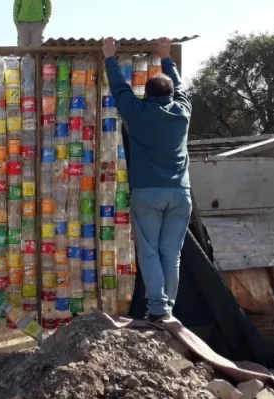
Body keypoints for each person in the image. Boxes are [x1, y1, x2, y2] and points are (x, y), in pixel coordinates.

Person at [102, 37, 192, 323]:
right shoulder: (182, 113)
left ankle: (157, 309)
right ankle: (169, 311)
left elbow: (120, 88)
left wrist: (109, 57)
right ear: (170, 94)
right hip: (180, 194)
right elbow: (181, 89)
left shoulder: (138, 113)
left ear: (147, 94)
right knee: (171, 255)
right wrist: (166, 57)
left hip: (147, 194)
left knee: (150, 252)